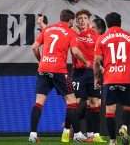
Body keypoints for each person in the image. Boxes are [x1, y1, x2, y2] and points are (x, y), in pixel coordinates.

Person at [29, 9, 90, 143]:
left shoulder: (48, 29)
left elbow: (34, 47)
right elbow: (75, 51)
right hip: (59, 71)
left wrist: (41, 60)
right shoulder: (70, 32)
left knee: (39, 102)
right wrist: (86, 62)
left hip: (43, 69)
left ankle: (33, 134)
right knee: (72, 102)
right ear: (70, 21)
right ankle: (78, 135)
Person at [94, 12, 130, 145]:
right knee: (128, 107)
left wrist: (97, 78)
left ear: (107, 23)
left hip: (109, 79)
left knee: (110, 112)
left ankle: (112, 140)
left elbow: (97, 62)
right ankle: (124, 127)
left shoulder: (102, 38)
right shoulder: (129, 36)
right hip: (126, 79)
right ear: (120, 22)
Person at [61, 9, 106, 143]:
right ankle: (67, 130)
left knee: (95, 103)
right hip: (78, 73)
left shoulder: (95, 35)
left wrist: (102, 68)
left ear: (88, 20)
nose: (81, 20)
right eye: (79, 18)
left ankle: (95, 135)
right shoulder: (72, 34)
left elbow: (101, 53)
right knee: (76, 103)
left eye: (84, 18)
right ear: (76, 21)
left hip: (93, 73)